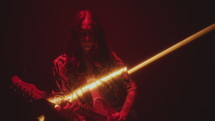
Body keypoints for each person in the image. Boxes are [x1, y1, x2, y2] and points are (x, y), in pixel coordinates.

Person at [12, 10, 138, 121]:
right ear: (76, 34)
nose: (87, 38)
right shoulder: (61, 64)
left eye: (91, 33)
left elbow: (131, 87)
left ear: (97, 34)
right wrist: (66, 112)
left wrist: (123, 114)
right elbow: (67, 104)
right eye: (83, 33)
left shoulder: (109, 57)